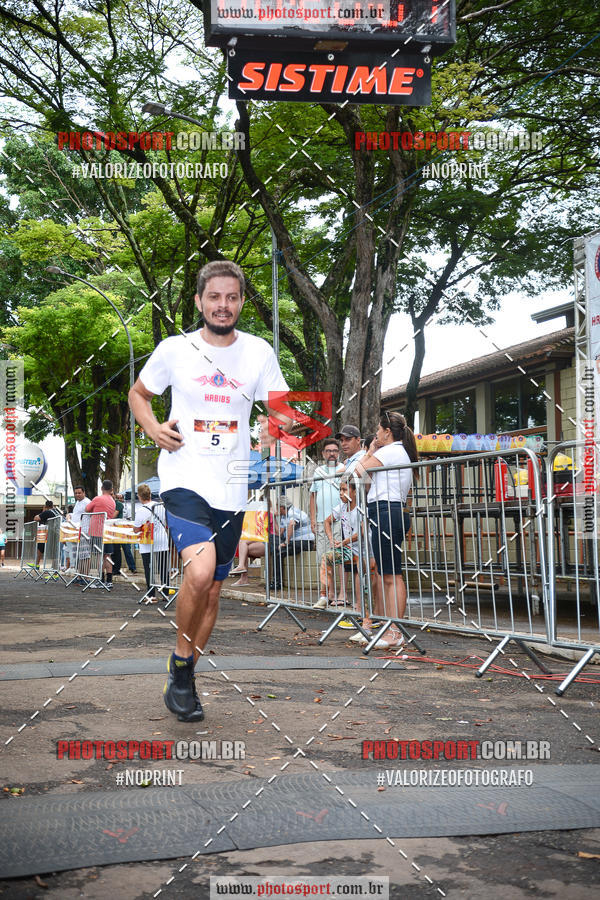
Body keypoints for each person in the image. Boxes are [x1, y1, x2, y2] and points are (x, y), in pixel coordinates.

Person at [129, 259, 290, 722]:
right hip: (184, 477)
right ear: (200, 301)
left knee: (214, 592)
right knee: (198, 574)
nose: (223, 305)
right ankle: (181, 669)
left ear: (241, 302)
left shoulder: (259, 352)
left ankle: (185, 672)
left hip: (232, 487)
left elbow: (282, 412)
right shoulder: (174, 348)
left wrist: (278, 426)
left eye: (232, 297)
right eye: (214, 297)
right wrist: (154, 429)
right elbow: (138, 394)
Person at [355, 411, 418, 649]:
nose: (377, 433)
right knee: (386, 574)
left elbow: (356, 472)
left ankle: (395, 630)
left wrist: (370, 451)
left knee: (391, 575)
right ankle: (391, 627)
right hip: (388, 511)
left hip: (387, 512)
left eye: (379, 430)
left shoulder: (390, 451)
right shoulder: (398, 452)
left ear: (387, 432)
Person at [320, 479, 365, 609]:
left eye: (344, 490)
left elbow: (362, 532)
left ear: (355, 491)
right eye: (340, 490)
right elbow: (327, 521)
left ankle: (360, 605)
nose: (340, 493)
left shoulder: (361, 508)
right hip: (349, 549)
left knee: (359, 569)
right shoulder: (341, 507)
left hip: (364, 549)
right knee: (327, 557)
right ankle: (325, 595)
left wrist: (344, 542)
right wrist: (331, 539)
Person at [310, 439, 342, 608]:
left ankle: (337, 594)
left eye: (335, 450)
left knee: (337, 557)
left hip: (339, 521)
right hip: (322, 522)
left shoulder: (344, 469)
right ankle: (325, 594)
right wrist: (313, 519)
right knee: (323, 558)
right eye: (328, 451)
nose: (332, 453)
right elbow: (313, 496)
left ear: (339, 453)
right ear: (323, 454)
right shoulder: (318, 471)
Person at [268, 497, 315, 590]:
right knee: (272, 541)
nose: (276, 509)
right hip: (294, 542)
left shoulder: (293, 512)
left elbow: (291, 525)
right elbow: (280, 532)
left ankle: (277, 583)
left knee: (278, 553)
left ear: (282, 507)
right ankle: (275, 581)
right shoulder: (283, 516)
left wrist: (286, 542)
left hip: (304, 542)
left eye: (277, 506)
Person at [133, 483, 169, 601]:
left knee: (149, 568)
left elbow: (136, 529)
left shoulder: (141, 510)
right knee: (163, 568)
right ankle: (166, 594)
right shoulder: (160, 506)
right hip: (162, 539)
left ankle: (151, 594)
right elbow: (166, 522)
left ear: (139, 496)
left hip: (147, 541)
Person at [85, 480, 117, 589]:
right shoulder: (113, 501)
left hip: (96, 530)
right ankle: (109, 580)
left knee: (98, 556)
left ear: (102, 488)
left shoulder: (97, 498)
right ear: (111, 489)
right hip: (107, 531)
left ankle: (100, 579)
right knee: (107, 556)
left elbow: (87, 509)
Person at [34, 500, 60, 565]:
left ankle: (37, 564)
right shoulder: (56, 512)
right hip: (57, 533)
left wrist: (43, 511)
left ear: (45, 506)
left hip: (48, 534)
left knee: (40, 549)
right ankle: (55, 567)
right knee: (55, 551)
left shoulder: (47, 512)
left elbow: (36, 518)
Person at [117, 493, 137, 574]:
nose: (119, 500)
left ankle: (132, 567)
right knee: (116, 551)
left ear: (123, 499)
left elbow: (130, 518)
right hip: (116, 531)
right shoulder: (114, 507)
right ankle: (117, 569)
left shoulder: (127, 508)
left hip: (124, 532)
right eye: (117, 498)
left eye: (120, 498)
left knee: (127, 550)